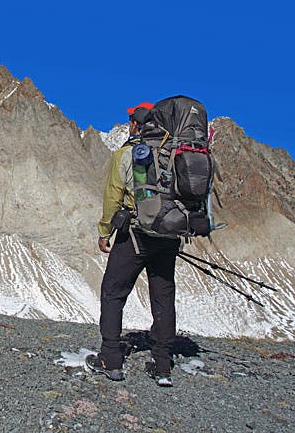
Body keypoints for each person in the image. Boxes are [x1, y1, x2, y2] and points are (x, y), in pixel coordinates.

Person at [85, 102, 180, 387]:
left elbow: (113, 196)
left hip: (136, 235)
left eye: (130, 120)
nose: (129, 124)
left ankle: (110, 359)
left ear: (137, 124)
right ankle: (162, 365)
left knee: (113, 291)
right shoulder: (174, 154)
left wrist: (105, 232)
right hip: (169, 235)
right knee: (163, 296)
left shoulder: (126, 154)